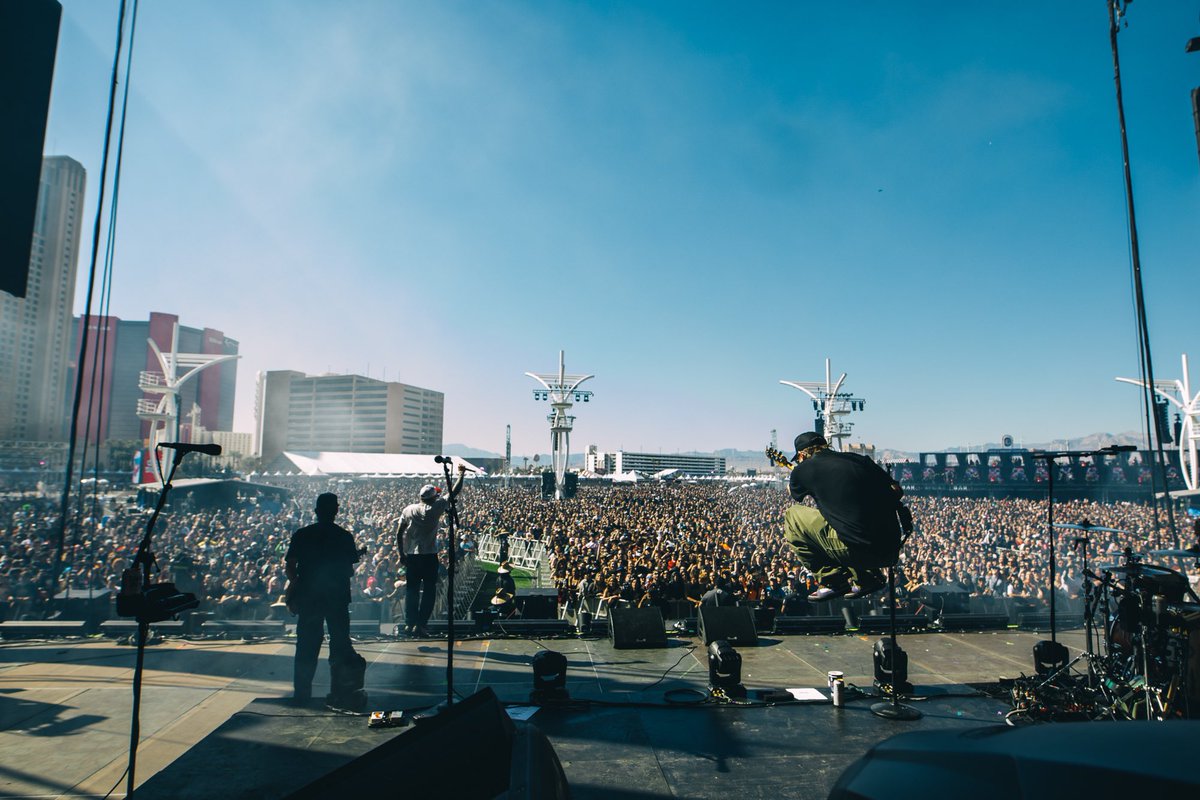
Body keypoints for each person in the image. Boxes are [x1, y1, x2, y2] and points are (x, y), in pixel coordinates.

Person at [782, 432, 907, 601]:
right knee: (842, 521)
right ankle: (867, 579)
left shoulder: (803, 469)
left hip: (856, 551)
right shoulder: (858, 459)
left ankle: (833, 581)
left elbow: (795, 494)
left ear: (803, 454)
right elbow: (896, 491)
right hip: (890, 549)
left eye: (799, 459)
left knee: (793, 515)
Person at [284, 493, 362, 703]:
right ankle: (340, 692)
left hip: (310, 597)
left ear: (316, 511)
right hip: (336, 598)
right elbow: (349, 570)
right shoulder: (344, 536)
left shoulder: (302, 534)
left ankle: (301, 694)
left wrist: (297, 585)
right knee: (339, 644)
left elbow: (290, 565)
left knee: (306, 646)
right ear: (336, 511)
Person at [396, 466, 466, 637]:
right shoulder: (435, 508)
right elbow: (454, 490)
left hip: (412, 556)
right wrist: (461, 474)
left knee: (411, 591)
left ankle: (409, 624)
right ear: (433, 497)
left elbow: (399, 532)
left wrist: (401, 553)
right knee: (429, 592)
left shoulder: (408, 509)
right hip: (428, 556)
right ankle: (421, 624)